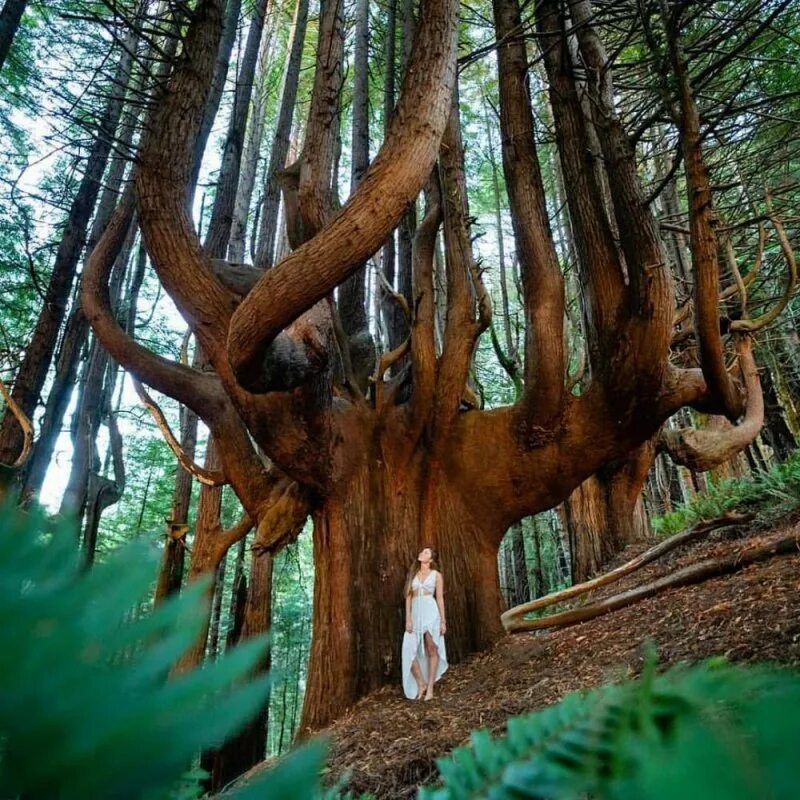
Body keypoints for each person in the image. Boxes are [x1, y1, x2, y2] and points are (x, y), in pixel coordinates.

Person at [401, 545, 448, 700]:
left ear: (431, 559)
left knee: (431, 648)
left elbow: (440, 598)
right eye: (422, 551)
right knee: (408, 649)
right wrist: (408, 618)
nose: (422, 553)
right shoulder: (413, 574)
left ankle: (430, 689)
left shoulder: (436, 575)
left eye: (426, 552)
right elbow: (408, 596)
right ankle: (421, 682)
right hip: (415, 612)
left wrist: (443, 621)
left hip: (431, 611)